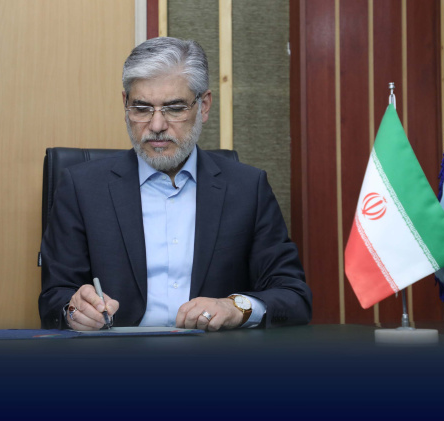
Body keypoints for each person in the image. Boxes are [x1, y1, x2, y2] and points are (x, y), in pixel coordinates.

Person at [39, 37, 311, 331]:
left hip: (214, 353)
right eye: (141, 108)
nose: (156, 126)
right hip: (117, 353)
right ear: (125, 104)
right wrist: (74, 311)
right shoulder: (82, 188)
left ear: (203, 106)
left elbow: (293, 295)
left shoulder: (247, 189)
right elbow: (54, 298)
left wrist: (235, 307)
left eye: (175, 108)